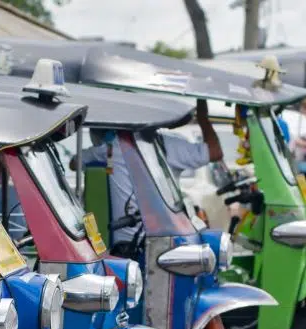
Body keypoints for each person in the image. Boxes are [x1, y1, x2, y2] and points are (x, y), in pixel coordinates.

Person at [71, 99, 223, 245]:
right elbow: (215, 152)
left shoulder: (108, 148)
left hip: (137, 238)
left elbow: (74, 162)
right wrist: (203, 118)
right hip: (145, 238)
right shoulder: (164, 142)